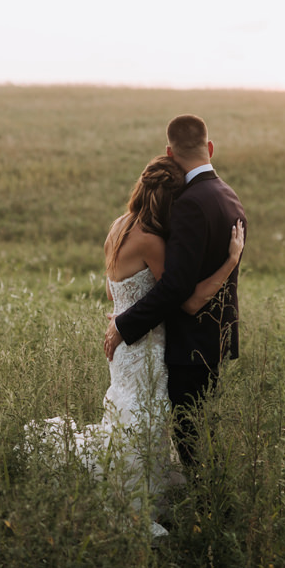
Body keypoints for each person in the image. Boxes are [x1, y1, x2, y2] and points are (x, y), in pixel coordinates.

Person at [27, 154, 244, 537]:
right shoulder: (152, 242)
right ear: (167, 199)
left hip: (125, 344)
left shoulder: (118, 227)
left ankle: (137, 491)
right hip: (144, 346)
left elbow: (114, 294)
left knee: (130, 414)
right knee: (142, 418)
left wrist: (121, 319)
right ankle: (128, 507)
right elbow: (185, 301)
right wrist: (230, 261)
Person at [105, 114, 247, 471]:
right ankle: (206, 506)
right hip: (214, 337)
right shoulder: (229, 196)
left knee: (190, 441)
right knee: (197, 434)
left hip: (188, 346)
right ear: (210, 147)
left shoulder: (189, 202)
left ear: (169, 152)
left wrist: (125, 324)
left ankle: (209, 509)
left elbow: (178, 287)